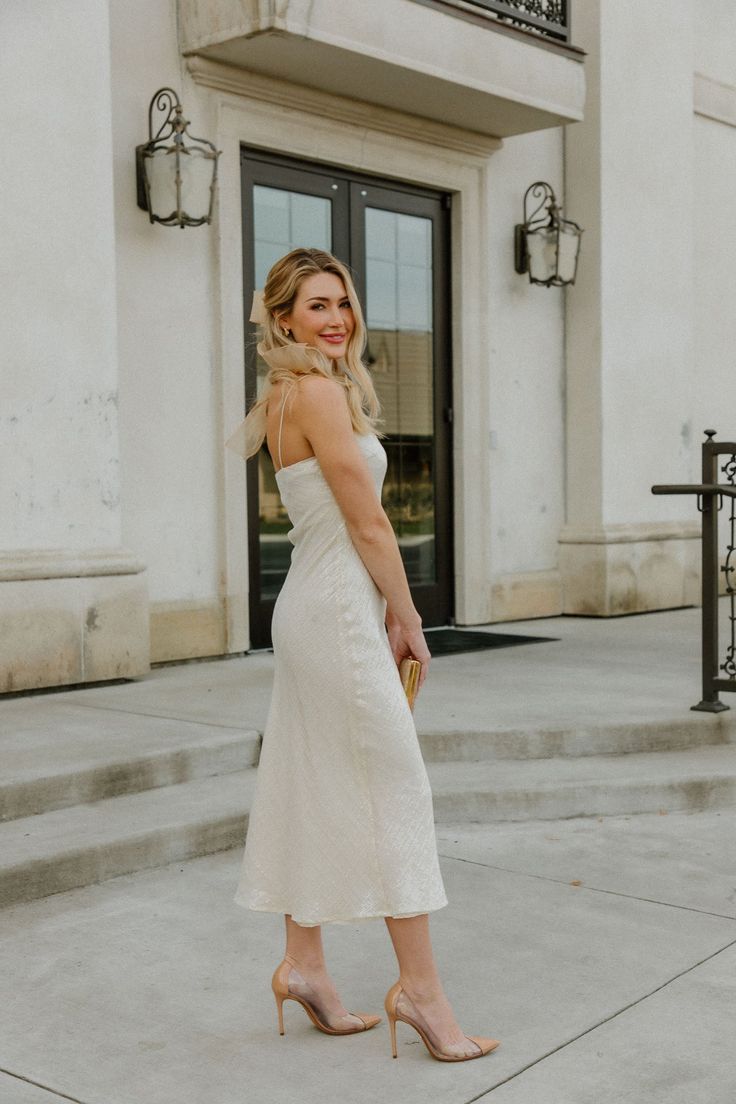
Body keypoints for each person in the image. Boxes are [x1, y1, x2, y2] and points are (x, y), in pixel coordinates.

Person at [225, 247, 499, 1062]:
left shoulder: (286, 393)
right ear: (283, 320)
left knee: (310, 780)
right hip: (340, 614)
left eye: (342, 301)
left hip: (313, 607)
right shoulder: (313, 392)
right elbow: (370, 524)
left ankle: (303, 967)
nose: (336, 317)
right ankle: (420, 993)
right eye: (316, 305)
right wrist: (408, 617)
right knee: (393, 788)